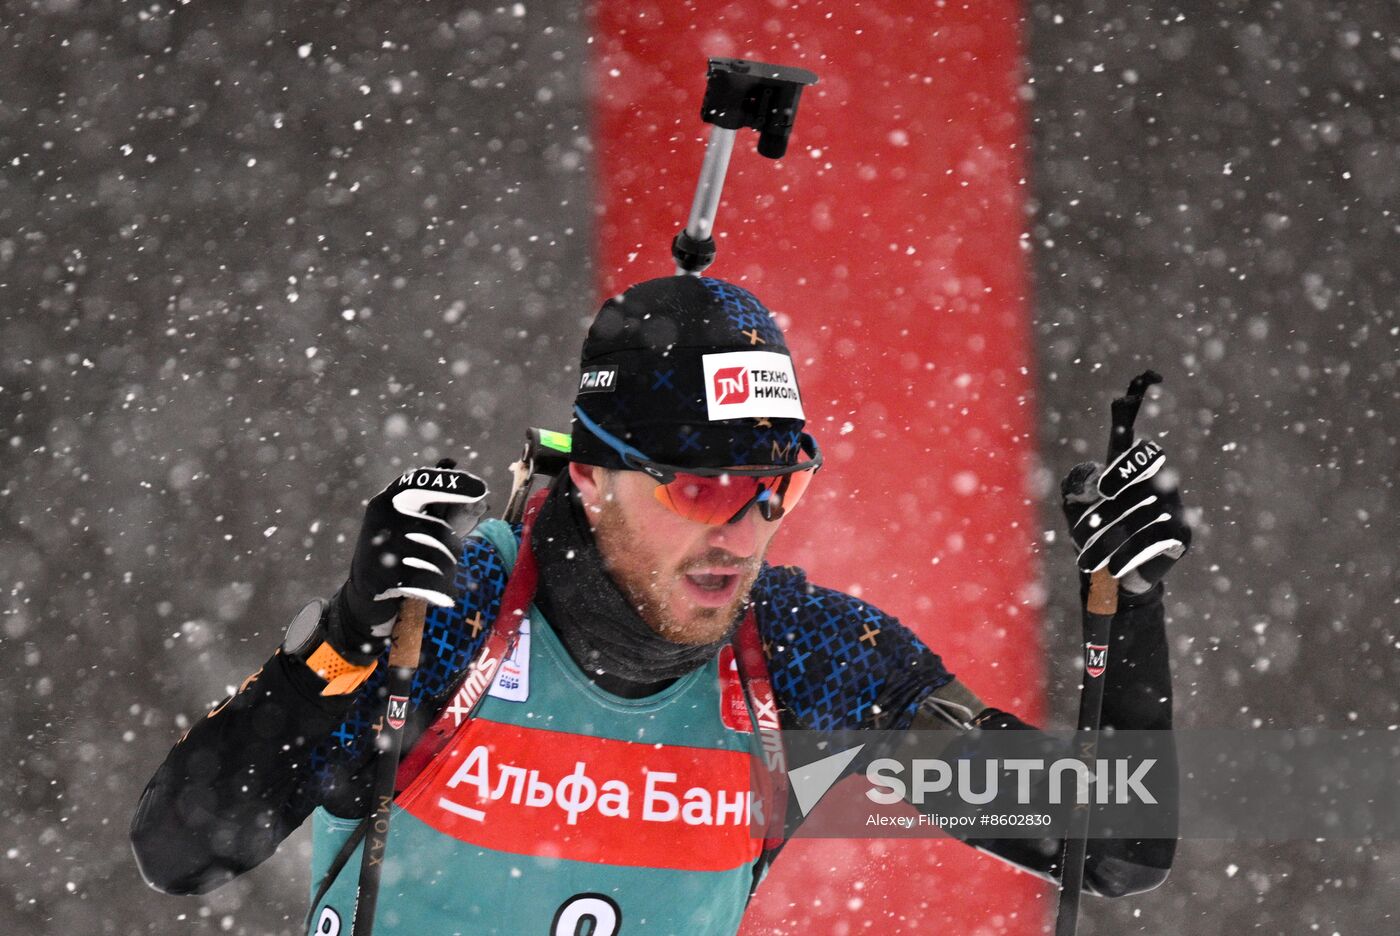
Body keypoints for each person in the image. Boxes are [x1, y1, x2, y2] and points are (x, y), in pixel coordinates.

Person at [131, 275, 1191, 934]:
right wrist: (340, 646)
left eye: (775, 488)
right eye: (702, 489)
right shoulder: (455, 614)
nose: (742, 532)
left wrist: (1130, 605)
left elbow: (1113, 846)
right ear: (592, 479)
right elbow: (179, 851)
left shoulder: (804, 662)